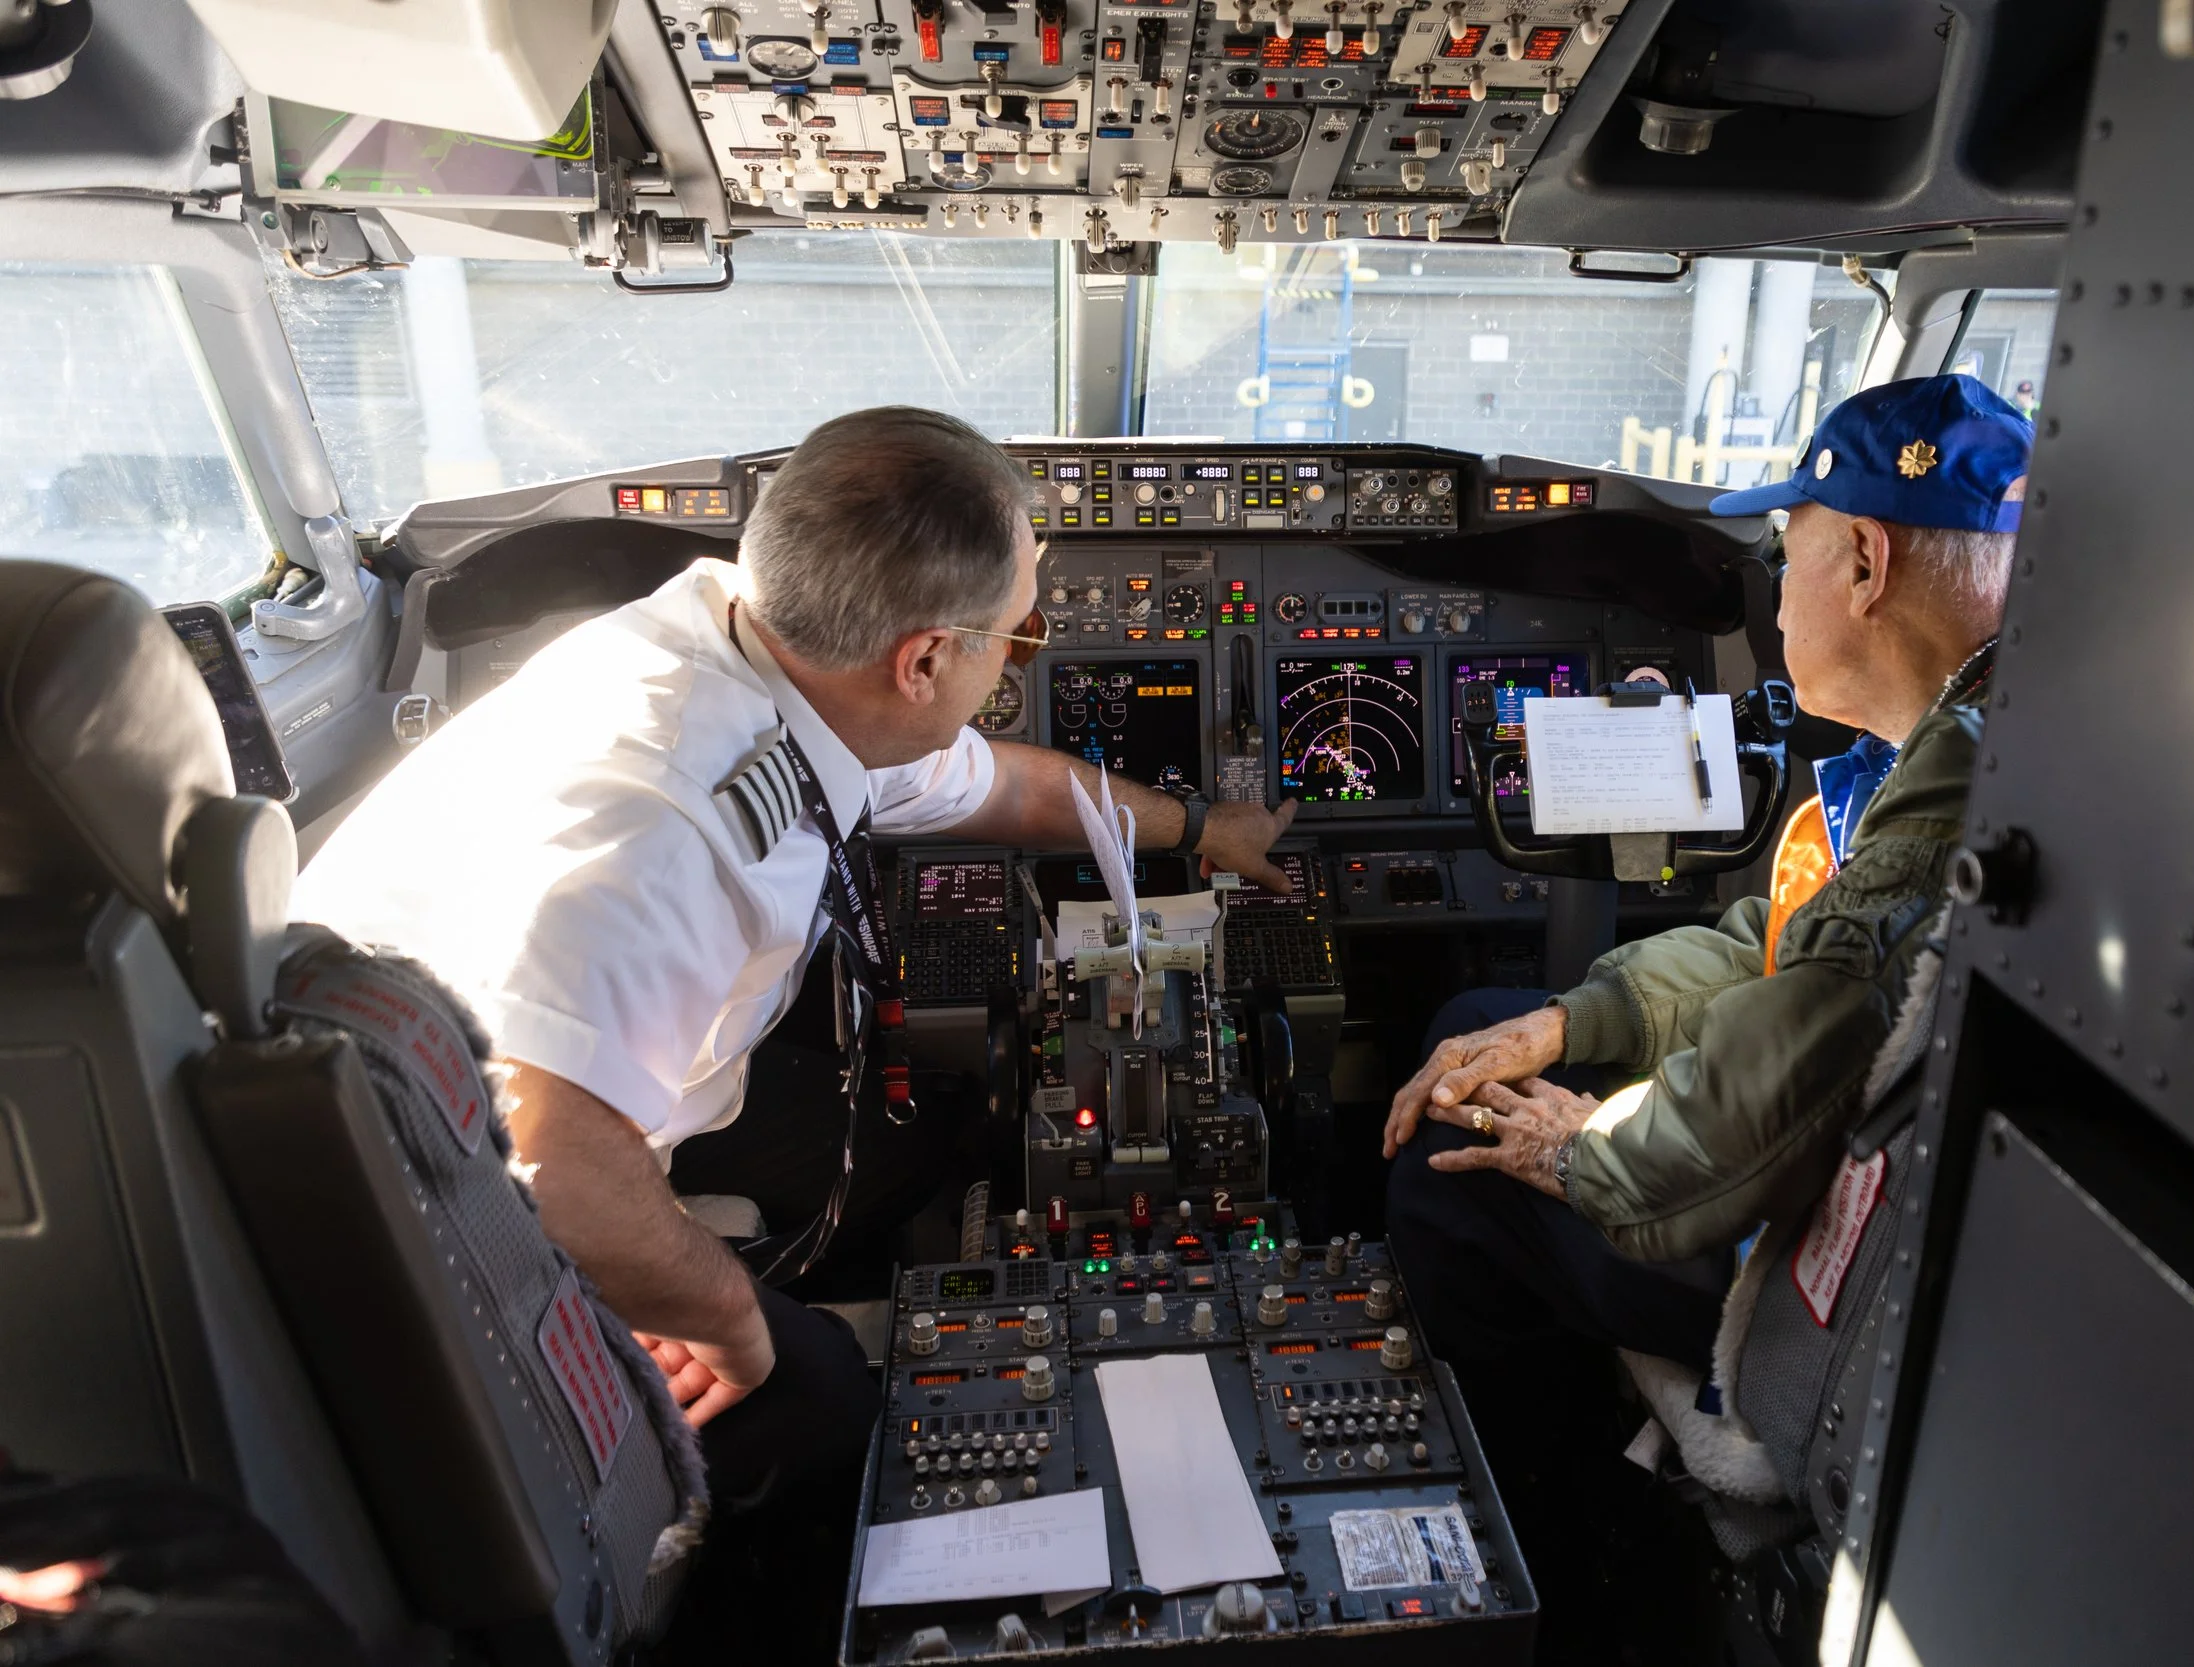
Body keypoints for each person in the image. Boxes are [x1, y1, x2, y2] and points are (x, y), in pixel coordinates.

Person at [293, 408, 1295, 1516]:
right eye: (1018, 632)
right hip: (423, 1205)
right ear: (921, 660)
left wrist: (1200, 826)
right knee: (814, 1392)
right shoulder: (664, 818)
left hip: (575, 1087)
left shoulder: (770, 656)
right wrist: (724, 1317)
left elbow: (1004, 785)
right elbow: (549, 1155)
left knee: (940, 1130)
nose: (1026, 645)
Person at [1381, 373, 2031, 1367]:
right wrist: (1571, 1019)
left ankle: (1539, 1490)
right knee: (1482, 1028)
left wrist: (1577, 1147)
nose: (1770, 586)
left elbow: (1756, 1110)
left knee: (1447, 1152)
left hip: (1834, 1272)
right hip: (1868, 1173)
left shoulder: (1957, 787)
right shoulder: (1953, 741)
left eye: (1786, 548)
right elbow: (1781, 948)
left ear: (1864, 561)